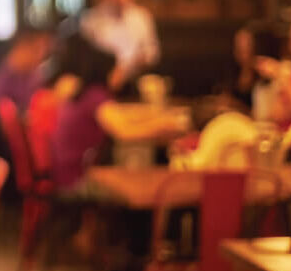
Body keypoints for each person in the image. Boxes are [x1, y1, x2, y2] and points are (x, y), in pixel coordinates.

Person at [31, 33, 189, 191]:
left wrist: (157, 116)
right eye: (117, 68)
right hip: (75, 181)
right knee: (144, 186)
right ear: (105, 70)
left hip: (65, 174)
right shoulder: (95, 96)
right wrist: (165, 125)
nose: (121, 74)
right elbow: (125, 131)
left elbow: (121, 115)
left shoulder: (86, 93)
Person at [80, 0, 160, 94]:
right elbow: (88, 58)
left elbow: (152, 52)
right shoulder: (91, 21)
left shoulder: (141, 17)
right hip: (100, 84)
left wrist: (129, 67)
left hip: (134, 83)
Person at [0, 26, 52, 112]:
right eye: (36, 49)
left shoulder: (35, 75)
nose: (41, 56)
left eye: (45, 51)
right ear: (21, 47)